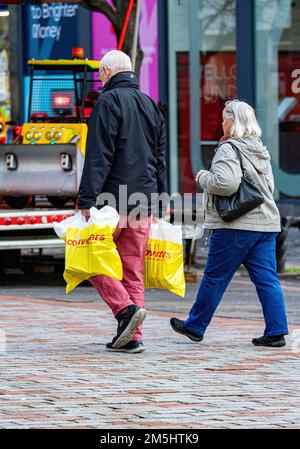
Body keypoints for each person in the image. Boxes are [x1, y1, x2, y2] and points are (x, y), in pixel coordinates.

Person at [170, 99, 288, 347]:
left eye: (224, 119)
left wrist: (202, 176)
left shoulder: (229, 148)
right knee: (267, 279)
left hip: (236, 225)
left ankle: (195, 326)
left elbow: (226, 184)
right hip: (265, 223)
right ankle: (276, 330)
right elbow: (269, 187)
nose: (221, 123)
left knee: (215, 276)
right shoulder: (258, 148)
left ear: (232, 122)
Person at [77, 50, 167, 354]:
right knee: (133, 270)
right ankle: (134, 336)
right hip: (144, 200)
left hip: (111, 202)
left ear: (105, 73)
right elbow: (160, 158)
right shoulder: (150, 104)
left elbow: (99, 155)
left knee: (88, 258)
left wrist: (87, 197)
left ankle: (125, 310)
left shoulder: (107, 102)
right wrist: (162, 199)